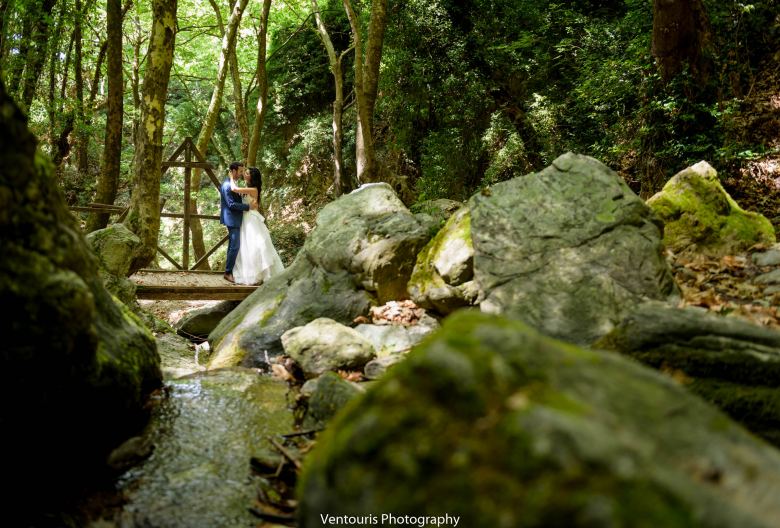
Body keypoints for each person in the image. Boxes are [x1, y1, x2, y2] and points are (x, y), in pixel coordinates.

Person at [229, 166, 284, 285]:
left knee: (257, 244)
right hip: (245, 218)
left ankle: (264, 273)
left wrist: (230, 177)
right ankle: (253, 273)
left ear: (252, 177)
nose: (244, 174)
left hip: (251, 218)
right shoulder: (248, 188)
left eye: (247, 173)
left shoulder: (253, 189)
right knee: (247, 246)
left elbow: (233, 188)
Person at [220, 161, 254, 283]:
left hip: (234, 218)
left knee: (232, 246)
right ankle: (228, 273)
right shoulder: (227, 185)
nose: (241, 173)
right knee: (235, 246)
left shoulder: (232, 183)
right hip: (232, 219)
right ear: (233, 171)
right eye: (240, 171)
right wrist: (247, 207)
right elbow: (231, 204)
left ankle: (229, 271)